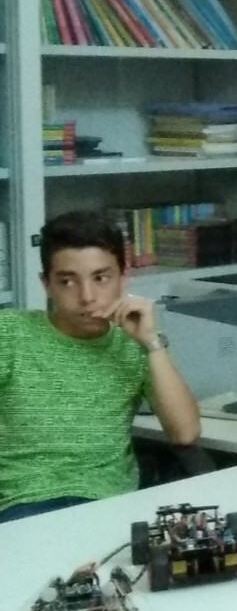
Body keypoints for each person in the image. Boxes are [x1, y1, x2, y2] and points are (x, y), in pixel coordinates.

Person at [0, 211, 200, 523]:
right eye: (67, 281)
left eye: (101, 278)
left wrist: (151, 343)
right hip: (25, 505)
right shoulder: (11, 332)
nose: (87, 297)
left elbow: (185, 433)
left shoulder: (135, 342)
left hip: (109, 505)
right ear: (46, 284)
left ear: (123, 278)